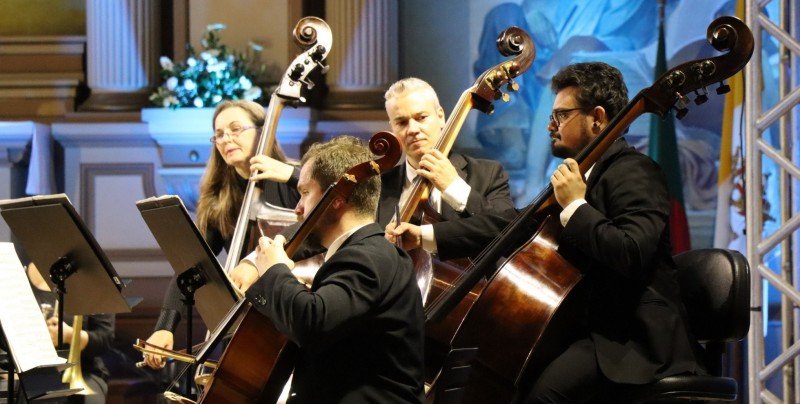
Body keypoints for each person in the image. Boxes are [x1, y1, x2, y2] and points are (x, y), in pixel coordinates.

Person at [474, 0, 742, 199]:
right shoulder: (534, 2)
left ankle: (533, 181)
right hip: (558, 71)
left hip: (612, 57)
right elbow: (544, 53)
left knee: (571, 58)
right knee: (554, 68)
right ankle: (531, 172)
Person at [523, 62, 704, 402]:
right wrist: (429, 234)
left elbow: (631, 252)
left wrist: (576, 207)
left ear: (597, 118)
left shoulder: (636, 171)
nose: (550, 125)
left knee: (543, 397)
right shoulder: (582, 176)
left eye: (561, 115)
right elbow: (515, 223)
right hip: (592, 332)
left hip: (633, 341)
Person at [245, 136, 425, 403]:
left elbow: (312, 323)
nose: (298, 209)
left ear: (338, 198)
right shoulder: (363, 254)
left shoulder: (367, 257)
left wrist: (275, 269)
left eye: (305, 193)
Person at [141, 99, 302, 369]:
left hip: (291, 315)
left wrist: (291, 174)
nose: (226, 138)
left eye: (235, 129)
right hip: (244, 323)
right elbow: (192, 265)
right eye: (219, 134)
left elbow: (331, 202)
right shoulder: (219, 199)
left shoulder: (294, 180)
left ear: (264, 132)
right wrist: (165, 326)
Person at [381, 78, 517, 260]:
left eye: (421, 117)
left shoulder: (488, 174)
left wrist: (453, 187)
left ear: (441, 116)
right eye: (402, 122)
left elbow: (509, 230)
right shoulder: (379, 186)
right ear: (392, 128)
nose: (413, 129)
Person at [27, 262, 115, 403]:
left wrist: (69, 335)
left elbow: (105, 338)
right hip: (29, 371)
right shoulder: (16, 276)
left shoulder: (93, 283)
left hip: (85, 370)